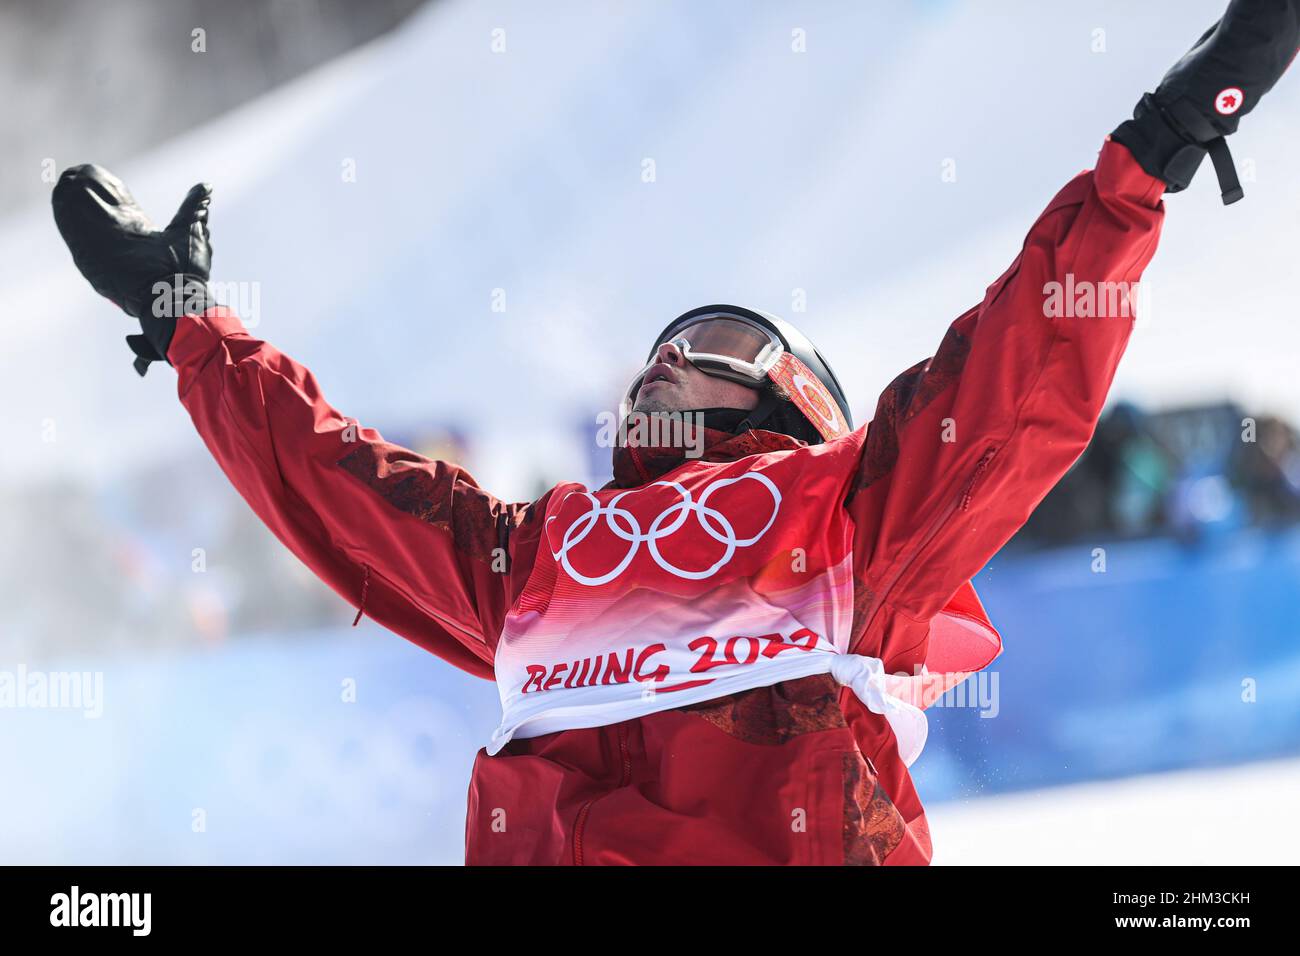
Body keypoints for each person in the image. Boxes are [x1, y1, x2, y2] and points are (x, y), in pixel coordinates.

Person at [52, 1, 1299, 865]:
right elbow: (333, 489)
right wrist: (190, 328)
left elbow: (1018, 374)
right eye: (661, 352)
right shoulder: (544, 555)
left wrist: (1150, 157)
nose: (666, 366)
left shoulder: (849, 510)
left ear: (794, 402)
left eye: (716, 349)